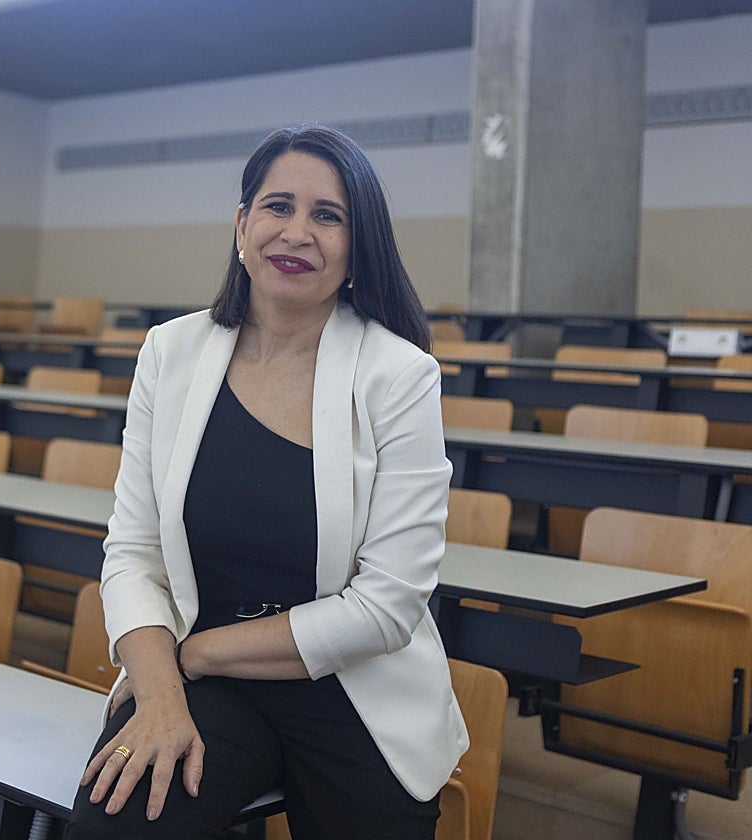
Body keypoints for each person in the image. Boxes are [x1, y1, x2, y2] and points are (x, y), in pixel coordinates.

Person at [66, 124, 468, 840]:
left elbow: (387, 607)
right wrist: (160, 692)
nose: (297, 231)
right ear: (243, 225)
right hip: (213, 689)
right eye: (278, 205)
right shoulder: (171, 351)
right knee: (118, 824)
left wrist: (196, 652)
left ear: (356, 248)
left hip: (352, 690)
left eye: (328, 215)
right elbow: (132, 553)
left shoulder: (400, 376)